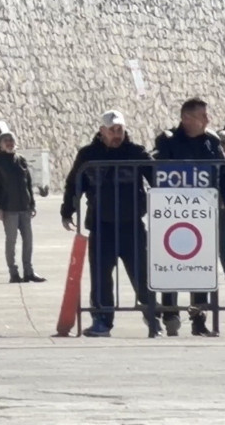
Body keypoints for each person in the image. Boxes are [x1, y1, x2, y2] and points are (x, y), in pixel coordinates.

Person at [61, 110, 159, 337]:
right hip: (101, 225)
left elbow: (157, 178)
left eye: (120, 129)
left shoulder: (136, 152)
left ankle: (152, 316)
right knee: (101, 277)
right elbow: (74, 183)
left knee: (141, 274)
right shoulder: (88, 155)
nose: (117, 134)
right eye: (112, 130)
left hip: (132, 224)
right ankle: (102, 320)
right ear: (102, 131)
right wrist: (67, 210)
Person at [154, 97, 225, 337]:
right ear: (186, 118)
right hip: (172, 213)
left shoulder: (211, 140)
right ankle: (170, 313)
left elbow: (224, 174)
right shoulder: (167, 140)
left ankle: (198, 319)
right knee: (170, 263)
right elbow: (157, 171)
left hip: (202, 213)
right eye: (203, 116)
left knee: (201, 268)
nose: (208, 120)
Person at [0, 131, 46, 284]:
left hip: (24, 208)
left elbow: (28, 183)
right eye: (6, 140)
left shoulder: (21, 160)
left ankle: (29, 272)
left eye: (11, 140)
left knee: (28, 240)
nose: (9, 143)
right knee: (11, 241)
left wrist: (32, 203)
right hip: (9, 209)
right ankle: (13, 273)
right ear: (0, 144)